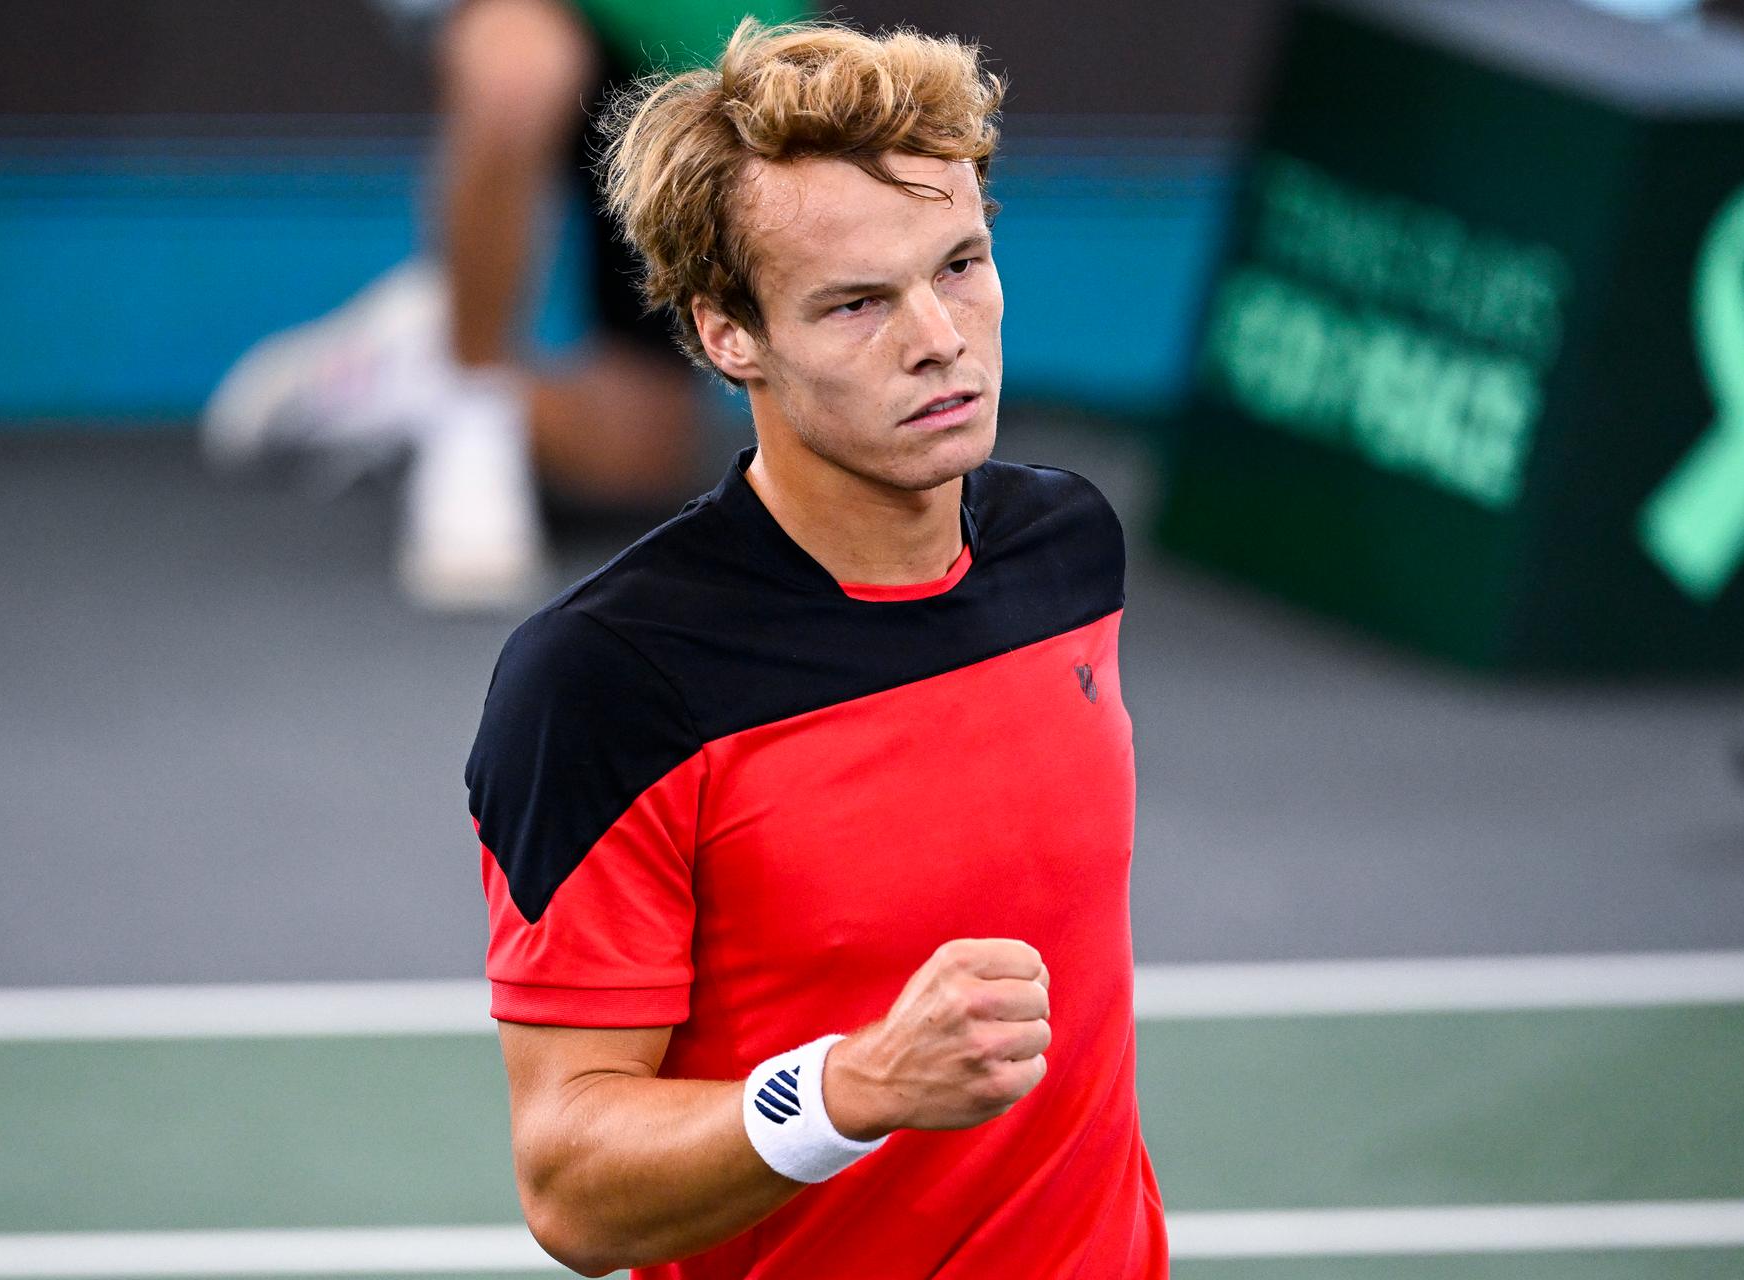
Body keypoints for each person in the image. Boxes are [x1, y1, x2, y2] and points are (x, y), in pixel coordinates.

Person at [465, 18, 1167, 1278]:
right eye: (856, 303)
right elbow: (571, 1181)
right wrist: (846, 1088)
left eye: (959, 264)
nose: (938, 336)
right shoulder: (611, 680)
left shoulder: (1067, 551)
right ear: (730, 333)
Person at [202, 0, 798, 610]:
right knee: (518, 72)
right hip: (540, 16)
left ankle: (406, 362)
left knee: (639, 456)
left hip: (707, 41)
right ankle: (471, 403)